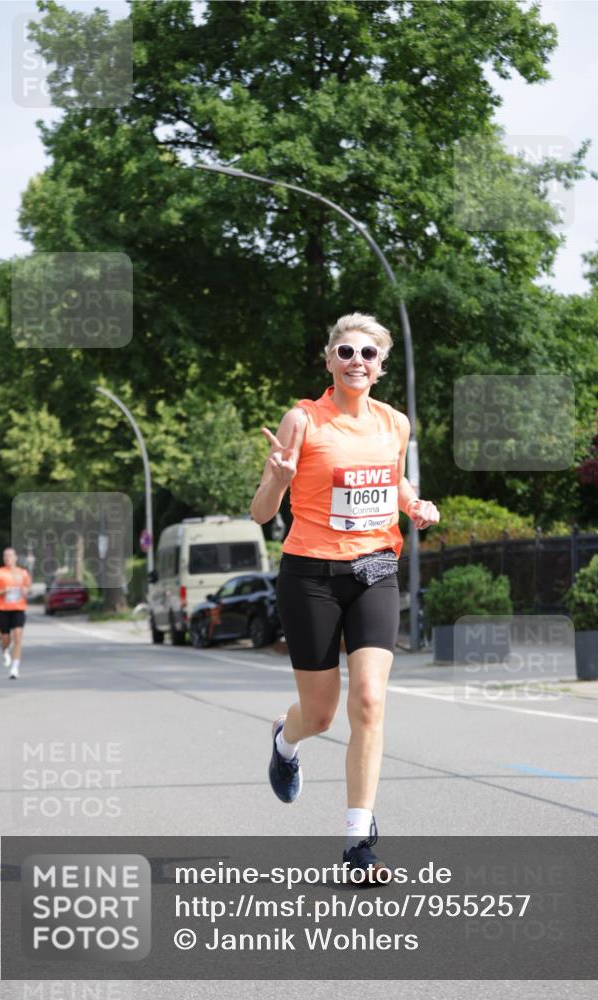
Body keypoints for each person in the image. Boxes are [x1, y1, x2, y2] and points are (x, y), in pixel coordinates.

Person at [250, 313, 440, 883]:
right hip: (309, 573)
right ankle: (286, 740)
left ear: (381, 367)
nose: (358, 361)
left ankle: (360, 842)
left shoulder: (395, 423)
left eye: (369, 354)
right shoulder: (302, 420)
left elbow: (394, 479)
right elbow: (262, 513)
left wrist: (415, 505)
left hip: (376, 568)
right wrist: (280, 478)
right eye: (347, 351)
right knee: (322, 714)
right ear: (329, 360)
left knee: (369, 703)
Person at [0, 547, 32, 680]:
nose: (8, 558)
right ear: (4, 559)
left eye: (10, 556)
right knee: (5, 638)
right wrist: (4, 591)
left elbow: (29, 589)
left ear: (15, 558)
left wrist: (26, 591)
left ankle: (15, 667)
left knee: (18, 636)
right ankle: (4, 649)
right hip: (3, 609)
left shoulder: (23, 573)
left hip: (18, 608)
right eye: (5, 556)